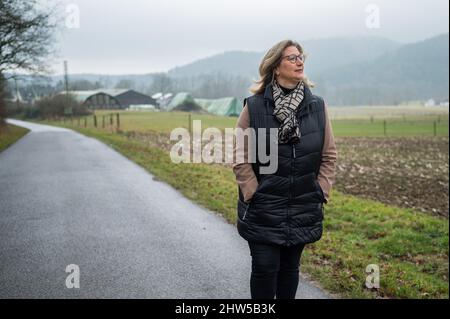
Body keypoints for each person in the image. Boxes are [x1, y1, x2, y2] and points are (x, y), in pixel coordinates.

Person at [232, 39, 337, 299]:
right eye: (292, 57)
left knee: (290, 269)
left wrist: (320, 189)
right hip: (263, 206)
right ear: (276, 67)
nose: (299, 61)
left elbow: (329, 155)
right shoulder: (254, 107)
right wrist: (252, 192)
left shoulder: (317, 106)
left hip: (303, 204)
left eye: (301, 57)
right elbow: (240, 155)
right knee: (266, 268)